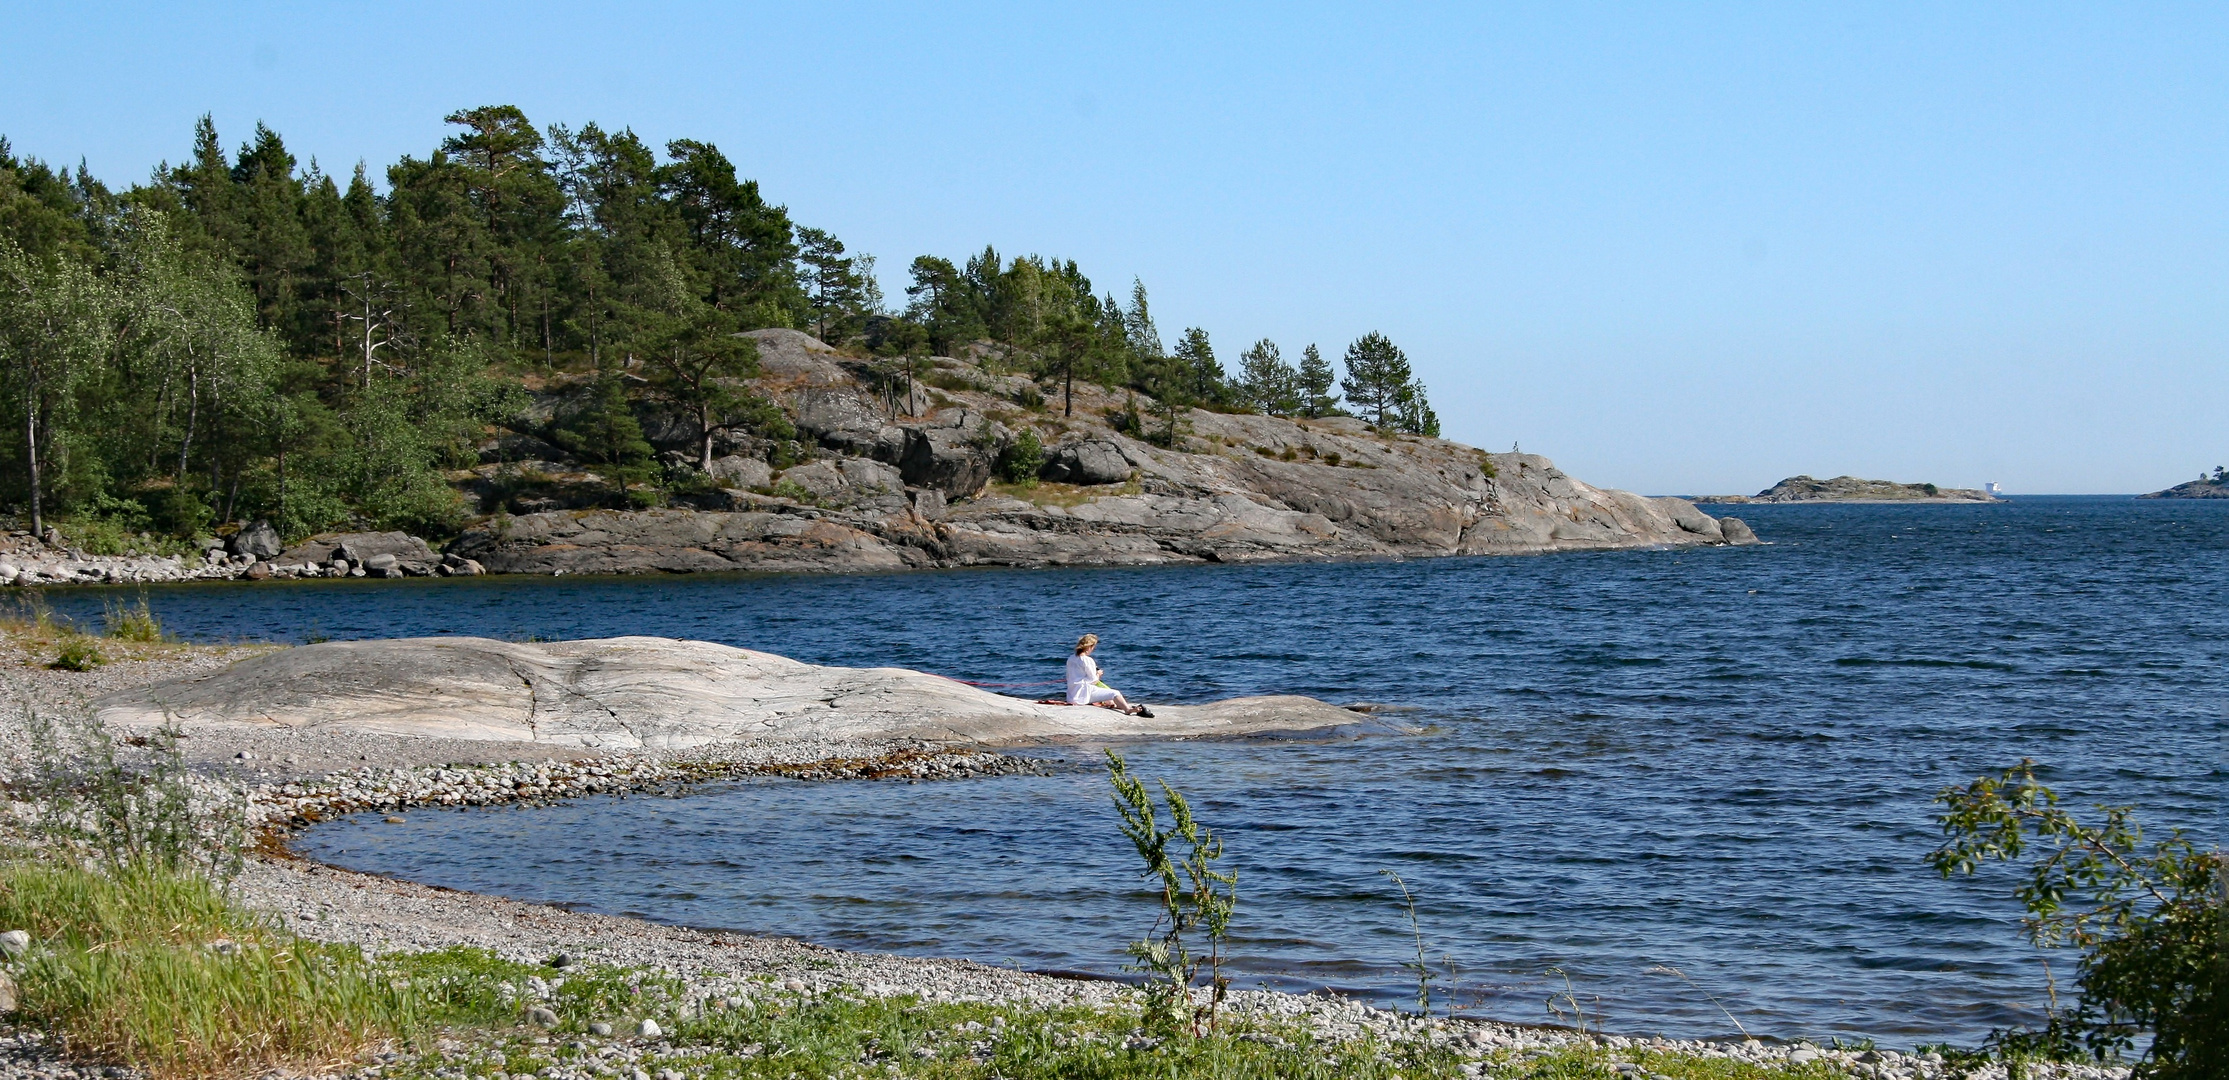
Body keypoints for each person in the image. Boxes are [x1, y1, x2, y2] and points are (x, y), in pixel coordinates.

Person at [1066, 634, 1152, 717]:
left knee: (1107, 696)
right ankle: (1127, 710)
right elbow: (1094, 681)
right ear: (1089, 647)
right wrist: (1098, 674)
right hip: (1084, 694)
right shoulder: (1088, 660)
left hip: (1072, 695)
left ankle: (1118, 705)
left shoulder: (1071, 658)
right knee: (1115, 693)